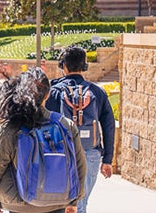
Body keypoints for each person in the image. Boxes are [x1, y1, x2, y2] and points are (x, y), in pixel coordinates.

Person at [0, 68, 87, 213]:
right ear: (47, 95)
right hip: (57, 201)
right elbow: (79, 164)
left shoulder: (11, 128)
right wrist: (74, 200)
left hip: (19, 203)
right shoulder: (65, 125)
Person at [46, 46, 115, 213]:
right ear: (84, 66)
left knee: (61, 205)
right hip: (90, 154)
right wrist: (107, 160)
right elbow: (108, 125)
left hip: (61, 154)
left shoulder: (54, 92)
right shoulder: (96, 92)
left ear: (63, 65)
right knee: (80, 205)